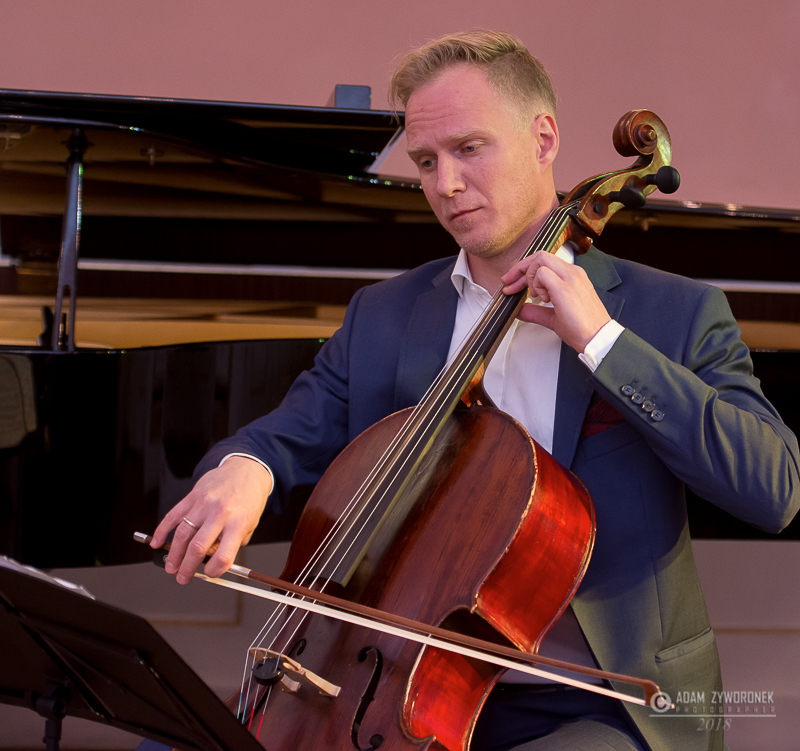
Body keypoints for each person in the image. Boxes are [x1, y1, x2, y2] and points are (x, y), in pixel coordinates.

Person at [150, 30, 800, 751]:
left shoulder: (672, 313)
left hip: (602, 706)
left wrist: (602, 342)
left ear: (543, 139)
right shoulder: (385, 315)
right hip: (400, 689)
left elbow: (773, 489)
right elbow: (289, 431)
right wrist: (247, 469)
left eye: (469, 149)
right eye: (426, 161)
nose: (446, 184)